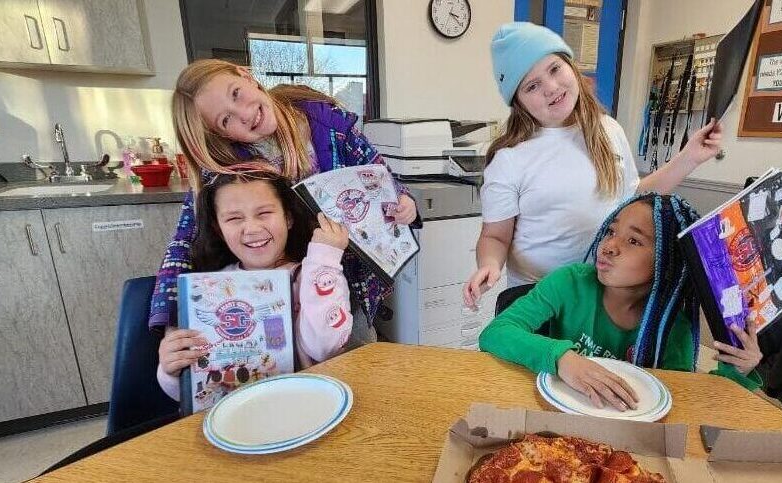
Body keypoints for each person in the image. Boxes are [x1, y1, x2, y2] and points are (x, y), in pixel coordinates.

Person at [150, 59, 419, 344]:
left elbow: (377, 173)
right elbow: (184, 243)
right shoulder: (224, 166)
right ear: (219, 134)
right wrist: (173, 323)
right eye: (225, 120)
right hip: (270, 294)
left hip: (343, 281)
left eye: (236, 94)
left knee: (356, 356)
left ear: (245, 75)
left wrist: (403, 199)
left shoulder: (328, 123)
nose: (245, 114)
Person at [464, 22, 723, 309]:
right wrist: (489, 264)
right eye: (532, 86)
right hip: (538, 299)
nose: (551, 88)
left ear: (571, 66)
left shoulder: (608, 130)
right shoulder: (510, 158)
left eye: (554, 69)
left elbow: (633, 198)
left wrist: (689, 157)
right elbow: (495, 236)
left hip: (605, 294)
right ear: (519, 102)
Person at [479, 193, 763, 411]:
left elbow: (684, 404)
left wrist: (737, 371)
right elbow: (496, 333)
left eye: (634, 241)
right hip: (552, 412)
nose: (609, 246)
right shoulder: (569, 282)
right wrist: (563, 359)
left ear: (666, 262)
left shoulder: (672, 327)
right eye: (612, 232)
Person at [157, 165, 353, 400]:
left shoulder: (315, 273)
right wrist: (170, 370)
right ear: (218, 229)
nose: (251, 229)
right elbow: (191, 395)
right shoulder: (208, 289)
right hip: (234, 414)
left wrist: (324, 257)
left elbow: (324, 347)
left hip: (304, 405)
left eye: (264, 213)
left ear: (288, 218)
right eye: (234, 218)